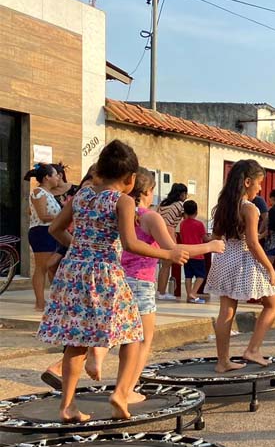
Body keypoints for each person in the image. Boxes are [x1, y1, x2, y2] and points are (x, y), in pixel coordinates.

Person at [37, 140, 188, 422]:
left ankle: (67, 406)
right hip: (105, 271)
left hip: (74, 271)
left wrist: (78, 250)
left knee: (76, 338)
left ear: (98, 171)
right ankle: (120, 392)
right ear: (130, 179)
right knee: (132, 331)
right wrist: (166, 252)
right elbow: (130, 244)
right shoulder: (123, 201)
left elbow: (55, 228)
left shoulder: (80, 195)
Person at [118, 169, 224, 403]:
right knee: (144, 340)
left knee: (126, 339)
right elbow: (173, 251)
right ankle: (125, 391)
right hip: (141, 282)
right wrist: (210, 247)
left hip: (119, 280)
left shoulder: (121, 213)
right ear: (149, 191)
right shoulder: (149, 217)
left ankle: (122, 386)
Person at [205, 160, 275, 373]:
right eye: (258, 183)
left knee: (226, 311)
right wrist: (270, 267)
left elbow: (216, 236)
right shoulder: (250, 208)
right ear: (247, 182)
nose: (260, 188)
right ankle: (253, 349)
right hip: (243, 260)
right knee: (274, 303)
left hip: (223, 258)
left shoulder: (224, 206)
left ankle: (222, 361)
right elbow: (252, 243)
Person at [39, 166, 108, 390]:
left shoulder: (84, 193)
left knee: (83, 330)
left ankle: (66, 383)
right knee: (95, 325)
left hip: (80, 260)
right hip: (91, 262)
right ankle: (83, 364)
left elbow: (56, 227)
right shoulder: (95, 195)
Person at [24, 163, 62, 311]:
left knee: (52, 266)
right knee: (42, 268)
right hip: (41, 232)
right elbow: (42, 216)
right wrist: (63, 217)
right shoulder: (38, 192)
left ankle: (54, 299)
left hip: (50, 232)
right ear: (47, 177)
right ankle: (40, 303)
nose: (58, 178)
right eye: (55, 175)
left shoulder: (48, 194)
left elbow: (30, 211)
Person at [156, 183, 188, 300]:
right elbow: (186, 218)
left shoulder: (163, 204)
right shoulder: (180, 205)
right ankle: (162, 292)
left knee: (163, 265)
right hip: (169, 233)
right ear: (182, 194)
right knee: (166, 265)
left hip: (159, 233)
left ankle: (160, 290)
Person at [180, 200, 210, 303]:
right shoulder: (199, 224)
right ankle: (193, 293)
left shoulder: (182, 224)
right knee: (201, 275)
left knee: (188, 276)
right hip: (198, 254)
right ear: (196, 212)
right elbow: (205, 238)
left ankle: (189, 296)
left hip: (186, 254)